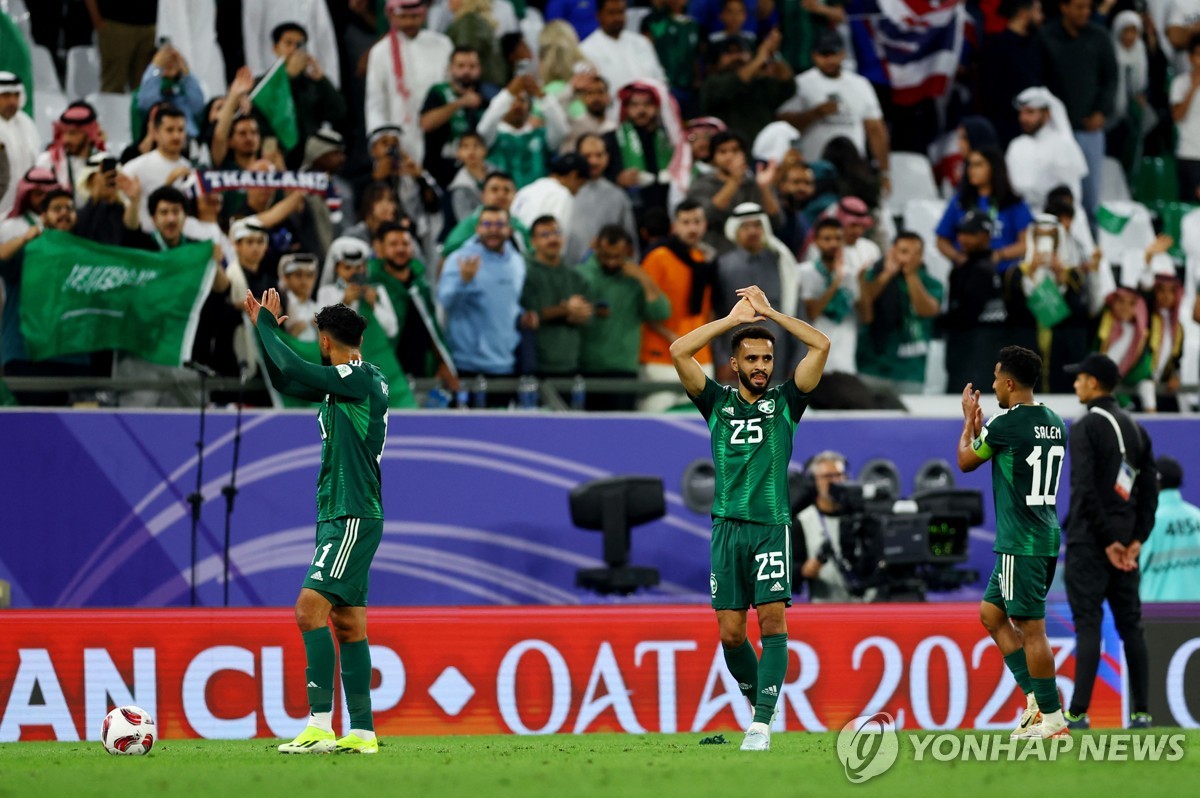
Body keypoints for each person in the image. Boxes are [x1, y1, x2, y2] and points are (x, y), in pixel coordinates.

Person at [669, 284, 830, 752]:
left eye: (766, 359)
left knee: (773, 621)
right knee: (731, 633)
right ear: (734, 364)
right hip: (725, 530)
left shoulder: (787, 402)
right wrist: (733, 320)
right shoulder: (715, 402)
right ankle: (764, 704)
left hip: (770, 527)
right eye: (751, 359)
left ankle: (760, 724)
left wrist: (771, 313)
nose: (761, 367)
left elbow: (821, 344)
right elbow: (679, 350)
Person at [245, 289, 387, 755]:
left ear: (324, 341)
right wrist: (263, 333)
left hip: (350, 512)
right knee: (348, 623)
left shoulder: (358, 378)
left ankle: (320, 725)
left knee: (309, 609)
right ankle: (362, 732)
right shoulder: (350, 381)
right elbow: (286, 382)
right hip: (344, 513)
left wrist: (266, 325)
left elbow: (294, 369)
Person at [958, 345, 1070, 739]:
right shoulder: (1054, 421)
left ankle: (1053, 718)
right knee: (991, 614)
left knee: (1031, 628)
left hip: (1019, 541)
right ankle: (1036, 701)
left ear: (1008, 382)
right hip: (1044, 533)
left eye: (994, 379)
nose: (992, 386)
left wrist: (969, 422)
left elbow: (966, 460)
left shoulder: (1005, 424)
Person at [1062, 352, 1158, 730]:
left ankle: (1078, 713)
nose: (1075, 384)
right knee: (1131, 626)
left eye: (1079, 378)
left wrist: (1105, 541)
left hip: (1091, 543)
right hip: (1125, 547)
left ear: (1094, 383)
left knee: (1088, 625)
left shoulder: (1085, 426)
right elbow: (1149, 489)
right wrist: (1135, 539)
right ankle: (1141, 712)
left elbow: (1083, 490)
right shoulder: (1137, 429)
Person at [776, 30, 890, 193]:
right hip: (813, 167)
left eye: (833, 53)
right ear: (814, 56)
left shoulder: (860, 84)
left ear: (843, 54)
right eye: (823, 54)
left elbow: (875, 130)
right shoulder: (801, 84)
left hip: (853, 169)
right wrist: (815, 113)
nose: (829, 59)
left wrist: (884, 172)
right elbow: (783, 124)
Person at [1039, 0, 1117, 221]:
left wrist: (1102, 111)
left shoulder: (1099, 37)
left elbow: (1111, 78)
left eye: (1088, 7)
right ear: (1064, 7)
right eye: (1079, 7)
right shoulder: (1046, 37)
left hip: (1088, 130)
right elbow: (1039, 79)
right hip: (1054, 131)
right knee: (1053, 194)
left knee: (1090, 198)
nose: (1086, 12)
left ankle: (1090, 247)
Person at [578, 224, 671, 410]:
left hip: (624, 369)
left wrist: (642, 277)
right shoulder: (581, 275)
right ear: (596, 248)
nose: (612, 262)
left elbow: (661, 312)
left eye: (617, 257)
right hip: (587, 368)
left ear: (628, 251)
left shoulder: (635, 280)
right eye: (606, 256)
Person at [437, 205, 529, 390]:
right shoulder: (460, 259)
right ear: (477, 228)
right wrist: (464, 281)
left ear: (509, 229)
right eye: (487, 223)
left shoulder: (517, 262)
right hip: (468, 364)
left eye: (499, 224)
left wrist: (523, 315)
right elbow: (445, 302)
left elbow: (511, 302)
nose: (493, 229)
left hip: (505, 363)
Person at [640, 199, 718, 411]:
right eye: (686, 222)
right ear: (675, 226)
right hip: (660, 356)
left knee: (702, 424)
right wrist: (673, 337)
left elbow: (708, 307)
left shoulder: (704, 259)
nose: (692, 228)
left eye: (697, 221)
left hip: (699, 355)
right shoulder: (658, 257)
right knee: (655, 420)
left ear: (705, 225)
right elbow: (645, 308)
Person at [365, 0, 455, 165]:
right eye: (403, 17)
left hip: (439, 130)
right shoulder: (380, 52)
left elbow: (451, 90)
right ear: (391, 16)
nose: (409, 22)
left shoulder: (442, 44)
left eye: (414, 16)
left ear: (423, 14)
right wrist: (380, 138)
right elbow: (375, 103)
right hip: (400, 132)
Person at [857, 232, 943, 395]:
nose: (908, 258)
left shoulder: (931, 283)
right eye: (903, 252)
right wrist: (887, 274)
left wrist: (911, 276)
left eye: (915, 253)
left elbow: (927, 310)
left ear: (922, 256)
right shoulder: (876, 275)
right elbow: (865, 309)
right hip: (874, 365)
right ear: (892, 252)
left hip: (910, 370)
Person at [936, 146, 1033, 275]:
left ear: (994, 168)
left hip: (1004, 273)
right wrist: (958, 257)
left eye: (978, 165)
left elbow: (1027, 243)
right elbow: (941, 240)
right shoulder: (960, 201)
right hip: (967, 272)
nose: (971, 170)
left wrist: (999, 255)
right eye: (969, 165)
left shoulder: (1013, 202)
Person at [521, 215, 593, 378]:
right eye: (545, 235)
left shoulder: (574, 276)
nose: (552, 239)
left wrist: (578, 313)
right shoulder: (525, 272)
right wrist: (567, 309)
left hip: (570, 363)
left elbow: (588, 312)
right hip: (536, 364)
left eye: (556, 233)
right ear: (533, 241)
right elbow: (532, 315)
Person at [1005, 87, 1089, 223]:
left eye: (1030, 112)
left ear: (1046, 114)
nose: (1023, 118)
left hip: (1056, 218)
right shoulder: (1016, 146)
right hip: (1021, 218)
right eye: (1021, 113)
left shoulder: (1062, 145)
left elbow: (1070, 195)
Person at [795, 450, 867, 603]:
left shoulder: (861, 516)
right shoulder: (803, 520)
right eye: (828, 476)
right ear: (814, 481)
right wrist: (804, 570)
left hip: (864, 607)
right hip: (824, 607)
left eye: (839, 475)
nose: (835, 481)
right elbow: (790, 571)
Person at [699, 33, 796, 145]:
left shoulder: (760, 83)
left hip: (762, 151)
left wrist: (773, 55)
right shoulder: (712, 83)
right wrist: (759, 59)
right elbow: (734, 82)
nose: (736, 57)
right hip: (728, 153)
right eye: (729, 52)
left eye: (741, 51)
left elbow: (788, 87)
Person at [421, 46, 496, 188]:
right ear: (450, 68)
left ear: (480, 69)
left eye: (472, 66)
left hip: (477, 175)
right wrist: (460, 103)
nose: (466, 71)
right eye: (461, 66)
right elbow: (426, 123)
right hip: (440, 173)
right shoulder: (438, 92)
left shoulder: (487, 96)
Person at [978, 0, 1044, 146]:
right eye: (1038, 11)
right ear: (1023, 14)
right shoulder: (995, 46)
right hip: (1002, 131)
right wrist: (1021, 104)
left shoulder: (1037, 46)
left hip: (1034, 132)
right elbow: (987, 91)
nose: (1041, 17)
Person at [567, 133, 637, 266]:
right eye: (587, 156)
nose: (593, 161)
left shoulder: (618, 196)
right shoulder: (565, 193)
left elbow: (629, 244)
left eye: (599, 155)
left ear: (607, 157)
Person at [1137, 456, 1200, 601]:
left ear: (1154, 482)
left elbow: (1132, 567)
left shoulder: (1148, 520)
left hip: (1157, 613)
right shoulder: (1197, 516)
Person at [122, 106, 192, 232]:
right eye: (170, 130)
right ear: (156, 133)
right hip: (146, 241)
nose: (176, 136)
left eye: (181, 130)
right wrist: (169, 184)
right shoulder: (135, 168)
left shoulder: (189, 168)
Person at [579, 0, 666, 91]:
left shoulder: (641, 42)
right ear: (599, 15)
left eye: (621, 12)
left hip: (647, 101)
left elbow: (659, 77)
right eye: (611, 13)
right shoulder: (586, 49)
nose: (617, 18)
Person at [0, 72, 42, 217]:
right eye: (6, 96)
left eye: (16, 95)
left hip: (23, 211)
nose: (12, 101)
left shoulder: (26, 123)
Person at [1171, 34, 1200, 202]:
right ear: (1190, 57)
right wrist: (1193, 87)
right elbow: (1177, 116)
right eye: (1198, 55)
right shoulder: (1179, 83)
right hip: (1189, 154)